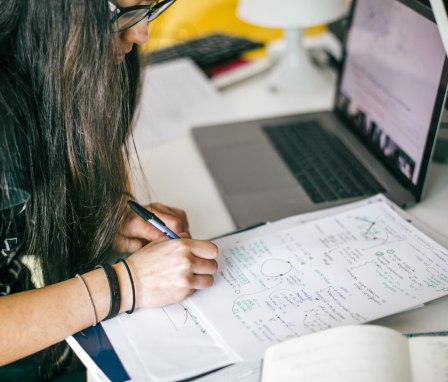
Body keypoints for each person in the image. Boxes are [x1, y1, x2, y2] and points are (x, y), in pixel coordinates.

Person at [0, 0, 218, 379]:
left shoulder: (78, 67)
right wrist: (126, 284)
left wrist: (107, 214)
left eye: (149, 8)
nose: (141, 34)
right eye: (125, 15)